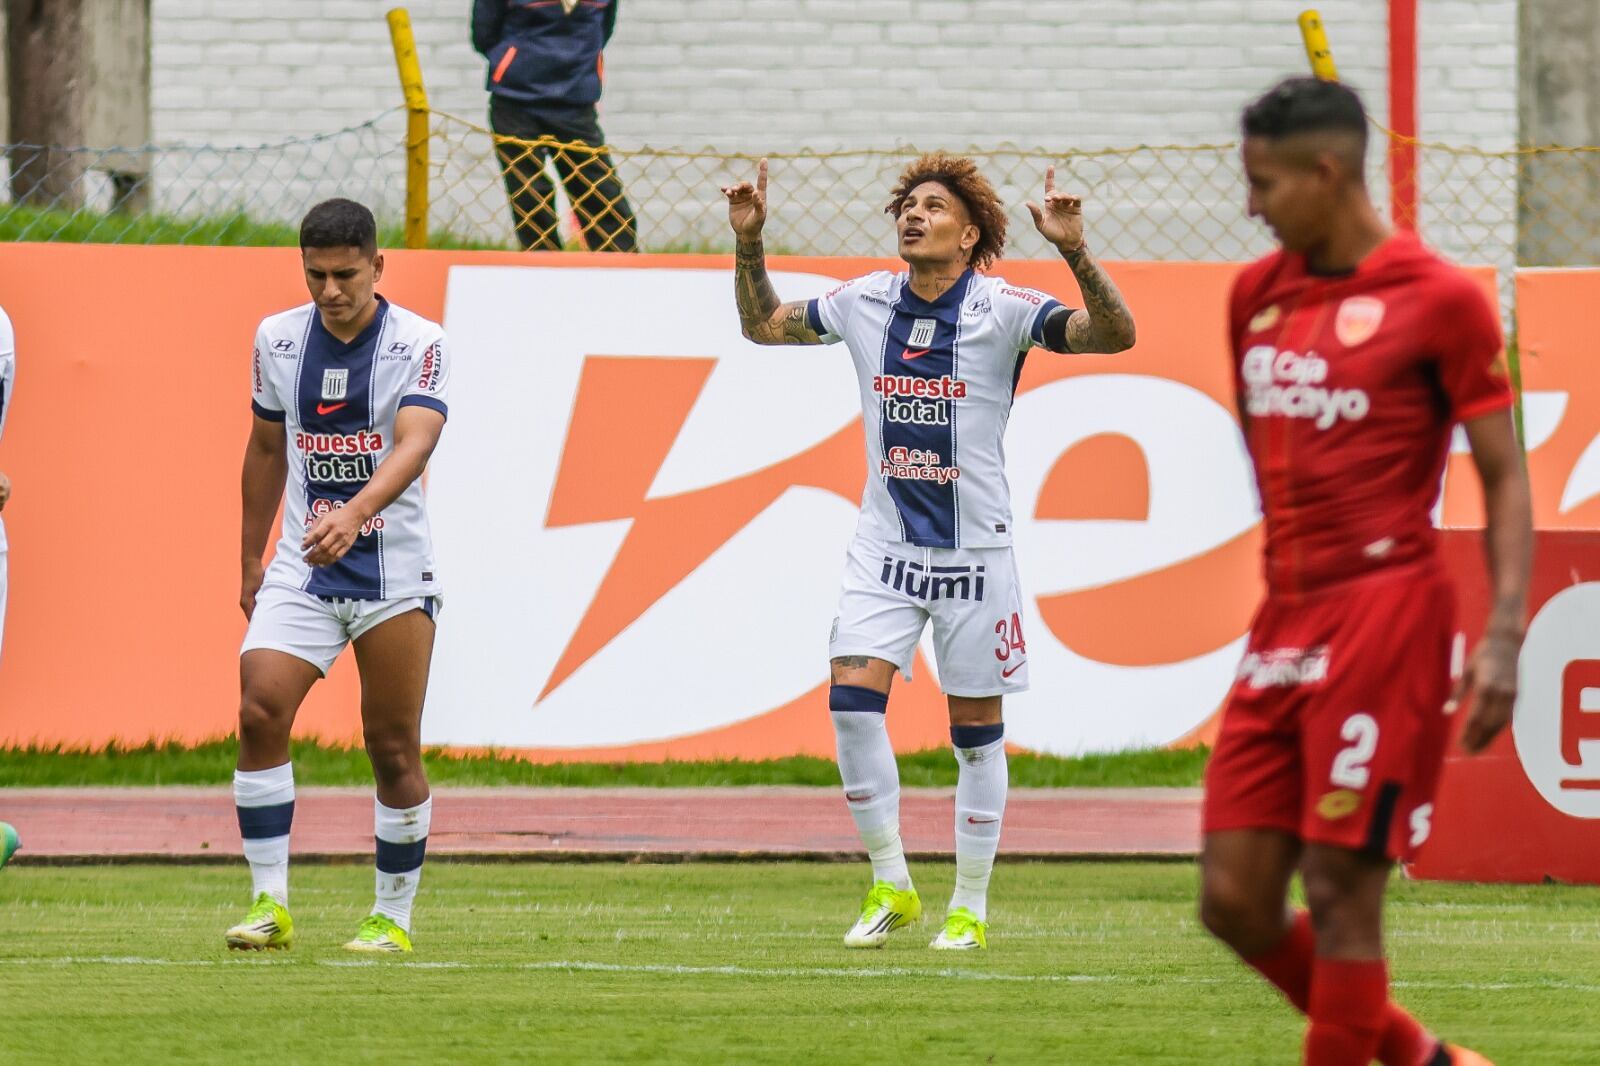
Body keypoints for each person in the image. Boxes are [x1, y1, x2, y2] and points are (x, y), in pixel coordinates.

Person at [1198, 77, 1531, 1066]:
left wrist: (1503, 634)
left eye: (1262, 183)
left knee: (1343, 900)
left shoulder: (1440, 301)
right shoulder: (1253, 295)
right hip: (1285, 616)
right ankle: (1425, 1060)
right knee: (1232, 899)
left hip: (1385, 615)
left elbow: (1505, 475)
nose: (1249, 207)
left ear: (1326, 171)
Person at [722, 153, 1135, 950]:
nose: (914, 215)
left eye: (934, 206)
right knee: (850, 703)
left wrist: (1075, 253)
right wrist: (750, 242)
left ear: (969, 232)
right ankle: (892, 883)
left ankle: (969, 906)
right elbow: (764, 326)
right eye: (907, 205)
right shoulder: (864, 300)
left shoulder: (1005, 309)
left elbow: (1113, 336)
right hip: (885, 546)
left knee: (974, 731)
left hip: (976, 553)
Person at [226, 199, 450, 954]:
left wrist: (353, 513)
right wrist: (250, 556)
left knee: (391, 746)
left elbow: (415, 445)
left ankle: (392, 916)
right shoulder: (277, 339)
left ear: (378, 266)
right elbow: (264, 450)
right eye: (315, 274)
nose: (330, 290)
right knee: (259, 708)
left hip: (391, 567)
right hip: (301, 564)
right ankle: (269, 904)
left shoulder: (421, 342)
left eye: (345, 274)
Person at [472, 0, 638, 252]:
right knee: (530, 197)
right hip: (515, 102)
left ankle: (623, 268)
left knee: (601, 196)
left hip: (576, 104)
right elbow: (484, 34)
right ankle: (542, 269)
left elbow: (604, 28)